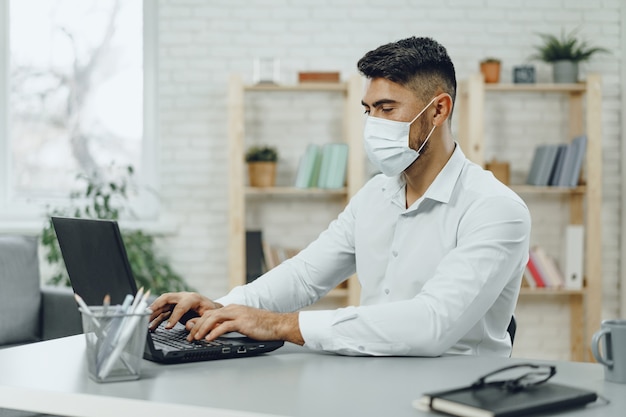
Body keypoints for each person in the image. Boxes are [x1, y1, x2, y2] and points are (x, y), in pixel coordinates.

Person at [149, 36, 531, 357]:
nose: (373, 123)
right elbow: (304, 276)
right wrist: (225, 308)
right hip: (371, 376)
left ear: (438, 110)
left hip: (458, 396)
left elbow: (431, 324)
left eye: (387, 108)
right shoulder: (375, 196)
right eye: (368, 110)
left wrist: (280, 325)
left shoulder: (496, 209)